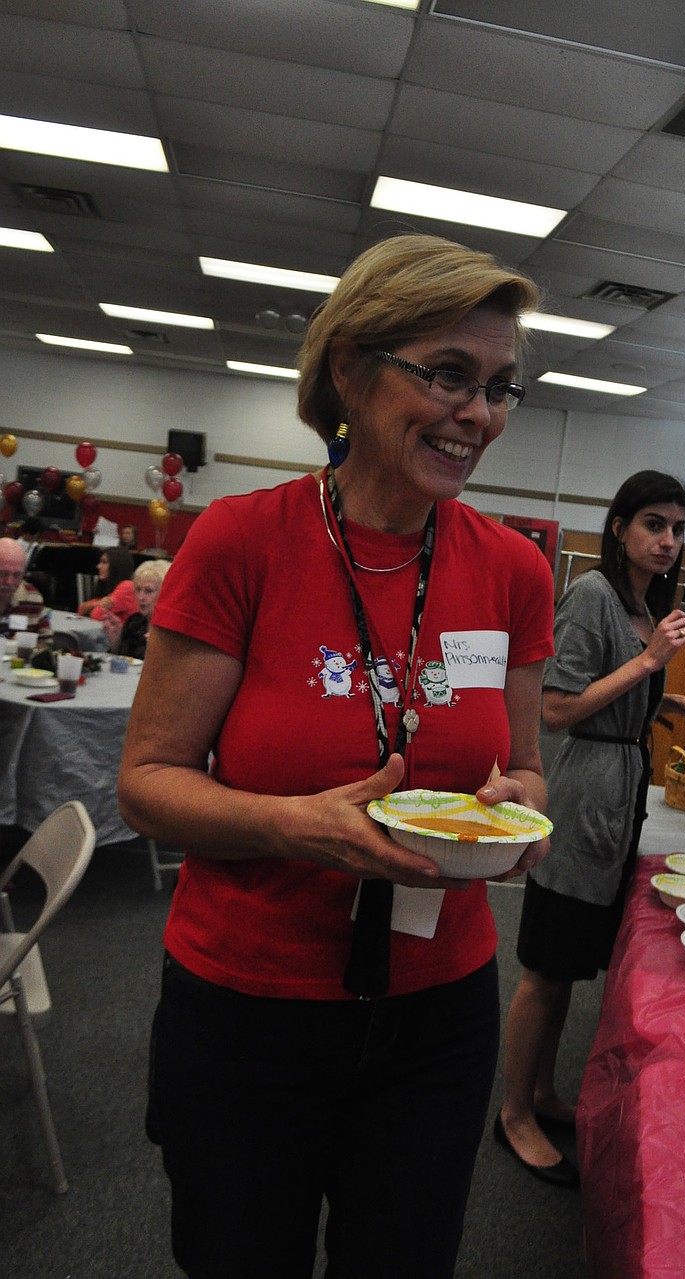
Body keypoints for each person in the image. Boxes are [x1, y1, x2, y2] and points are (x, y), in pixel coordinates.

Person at [117, 233, 555, 1279]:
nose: (479, 415)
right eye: (448, 374)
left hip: (437, 1009)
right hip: (249, 1007)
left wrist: (514, 809)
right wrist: (289, 822)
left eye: (499, 387)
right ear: (350, 369)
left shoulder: (513, 571)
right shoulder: (240, 540)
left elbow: (530, 768)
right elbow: (146, 785)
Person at [497, 470, 685, 1185]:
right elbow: (559, 706)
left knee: (568, 970)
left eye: (679, 528)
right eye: (654, 523)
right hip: (579, 793)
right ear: (620, 526)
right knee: (544, 968)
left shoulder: (637, 604)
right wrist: (654, 661)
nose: (668, 541)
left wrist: (671, 696)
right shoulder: (591, 596)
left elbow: (617, 687)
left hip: (617, 796)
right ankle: (512, 1114)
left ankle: (540, 1090)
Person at [102, 559, 170, 659]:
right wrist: (116, 641)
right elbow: (124, 662)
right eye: (138, 589)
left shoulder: (172, 631)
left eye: (148, 591)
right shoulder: (134, 622)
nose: (140, 597)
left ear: (165, 593)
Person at [0, 536, 52, 640]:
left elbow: (45, 643)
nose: (9, 582)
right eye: (3, 574)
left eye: (16, 575)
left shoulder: (33, 598)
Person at [77, 546, 136, 621]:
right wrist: (97, 603)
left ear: (117, 566)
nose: (98, 566)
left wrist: (94, 606)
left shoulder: (127, 586)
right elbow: (81, 609)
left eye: (104, 562)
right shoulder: (108, 586)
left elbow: (96, 614)